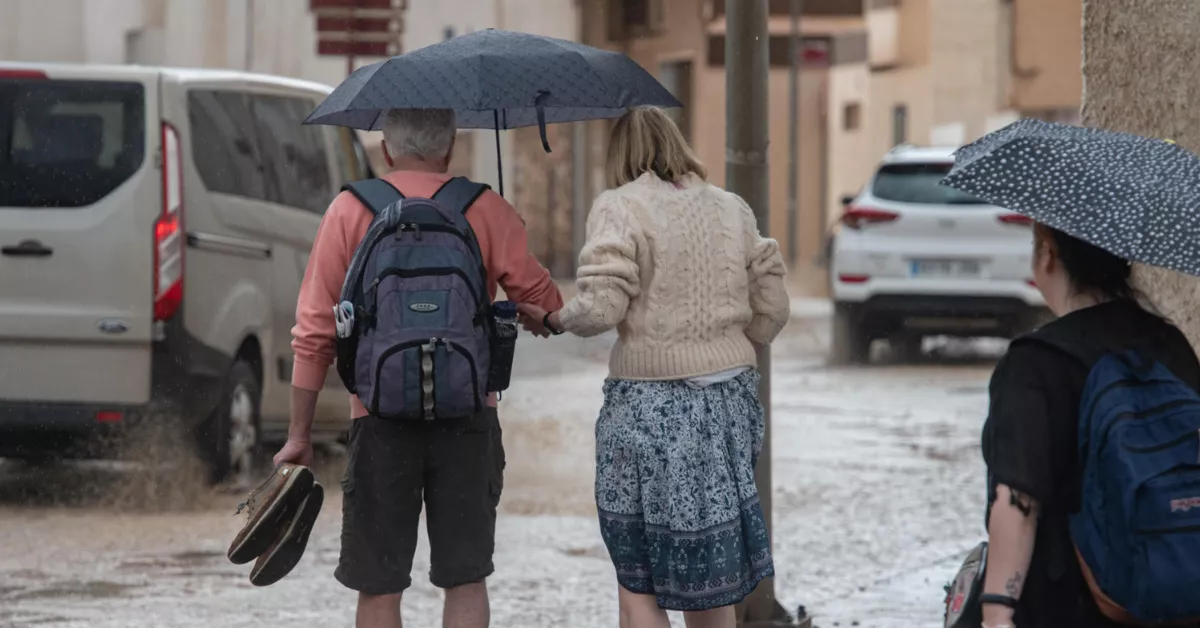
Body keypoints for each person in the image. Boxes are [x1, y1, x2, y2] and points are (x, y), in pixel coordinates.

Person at [275, 108, 563, 628]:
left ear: (386, 150)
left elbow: (315, 331)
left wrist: (299, 435)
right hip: (468, 417)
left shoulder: (348, 209)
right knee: (465, 578)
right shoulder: (485, 207)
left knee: (380, 585)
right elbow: (548, 308)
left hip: (378, 419)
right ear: (450, 148)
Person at [518, 106, 790, 628]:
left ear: (620, 154)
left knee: (637, 580)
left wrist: (553, 317)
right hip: (729, 406)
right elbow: (774, 308)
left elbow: (602, 307)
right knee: (712, 581)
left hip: (650, 410)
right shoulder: (733, 208)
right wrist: (726, 347)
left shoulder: (620, 207)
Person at [979, 224, 1200, 628]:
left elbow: (1018, 497)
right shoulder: (1171, 345)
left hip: (1065, 606)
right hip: (1176, 595)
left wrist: (996, 613)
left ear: (1047, 254)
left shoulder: (1034, 361)